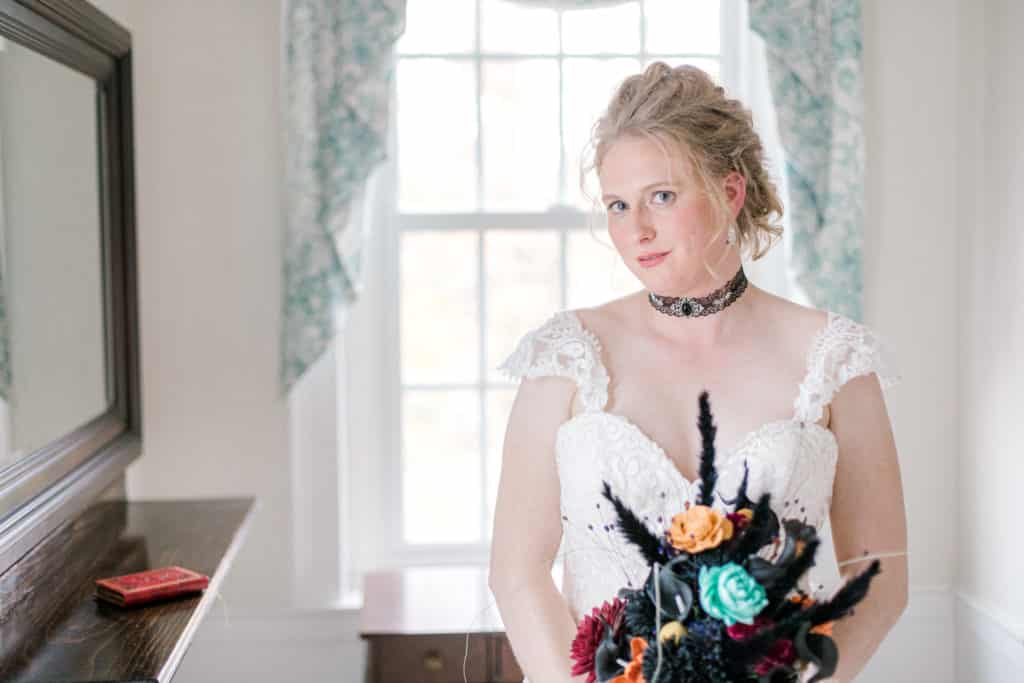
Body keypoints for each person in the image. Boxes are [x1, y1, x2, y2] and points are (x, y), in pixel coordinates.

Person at [487, 62, 909, 683]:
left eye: (662, 196)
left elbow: (883, 574)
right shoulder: (565, 356)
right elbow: (517, 573)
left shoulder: (835, 360)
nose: (637, 230)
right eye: (617, 205)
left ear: (730, 192)